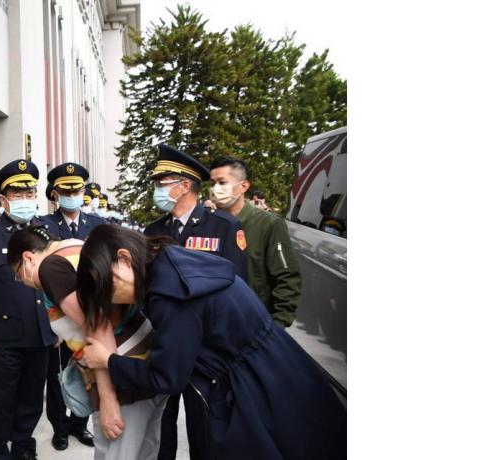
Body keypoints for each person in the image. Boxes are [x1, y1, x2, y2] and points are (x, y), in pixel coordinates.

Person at [79, 225, 346, 460]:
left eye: (105, 285)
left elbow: (167, 378)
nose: (110, 298)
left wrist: (108, 361)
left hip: (250, 389)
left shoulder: (170, 295)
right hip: (281, 367)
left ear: (124, 259)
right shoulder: (174, 260)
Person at [7, 226, 166, 460]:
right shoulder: (74, 246)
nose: (22, 281)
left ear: (28, 258)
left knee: (117, 453)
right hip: (147, 359)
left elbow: (96, 326)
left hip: (122, 373)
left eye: (19, 274)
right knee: (145, 451)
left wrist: (109, 400)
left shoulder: (50, 267)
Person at [143, 144, 248, 460]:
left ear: (183, 185)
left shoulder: (224, 227)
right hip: (164, 346)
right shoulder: (154, 231)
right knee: (160, 426)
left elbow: (237, 291)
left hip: (207, 350)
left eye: (162, 182)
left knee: (205, 430)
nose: (158, 189)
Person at [0, 159, 58, 460]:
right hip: (5, 331)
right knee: (0, 398)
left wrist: (60, 323)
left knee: (32, 396)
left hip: (42, 329)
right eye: (17, 195)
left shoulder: (47, 229)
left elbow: (58, 280)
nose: (25, 200)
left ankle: (22, 445)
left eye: (30, 193)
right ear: (3, 200)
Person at [38, 162, 107, 449]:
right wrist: (50, 324)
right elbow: (38, 279)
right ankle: (60, 426)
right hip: (58, 315)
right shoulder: (42, 226)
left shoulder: (98, 226)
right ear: (55, 194)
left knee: (88, 367)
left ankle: (81, 423)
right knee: (58, 374)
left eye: (76, 190)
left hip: (90, 312)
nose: (72, 195)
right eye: (65, 191)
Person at [209, 157, 302, 328]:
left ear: (243, 186)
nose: (215, 189)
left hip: (254, 321)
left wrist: (278, 324)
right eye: (213, 183)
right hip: (215, 321)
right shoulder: (209, 223)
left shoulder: (267, 224)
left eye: (222, 182)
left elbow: (287, 277)